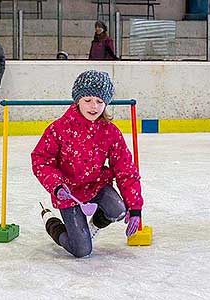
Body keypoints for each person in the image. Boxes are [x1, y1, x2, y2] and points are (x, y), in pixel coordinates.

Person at [31, 70, 143, 258]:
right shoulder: (59, 129)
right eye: (88, 100)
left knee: (118, 210)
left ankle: (91, 227)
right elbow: (41, 160)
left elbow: (126, 170)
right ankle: (51, 221)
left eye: (100, 101)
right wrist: (56, 185)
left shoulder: (110, 132)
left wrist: (135, 207)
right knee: (82, 251)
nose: (94, 106)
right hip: (68, 192)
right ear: (77, 100)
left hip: (96, 186)